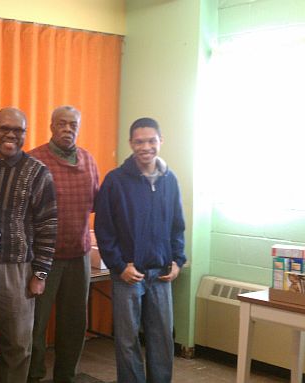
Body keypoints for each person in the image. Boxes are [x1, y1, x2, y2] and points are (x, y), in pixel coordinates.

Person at [94, 117, 186, 383]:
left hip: (161, 274)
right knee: (127, 340)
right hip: (128, 274)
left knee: (162, 339)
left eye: (151, 140)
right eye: (139, 141)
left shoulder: (170, 180)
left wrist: (178, 261)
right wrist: (120, 266)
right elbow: (104, 228)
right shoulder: (115, 181)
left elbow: (177, 225)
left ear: (160, 141)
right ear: (131, 143)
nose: (145, 146)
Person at [0, 107, 58, 383]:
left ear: (25, 134)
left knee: (18, 347)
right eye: (4, 128)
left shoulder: (38, 173)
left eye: (18, 130)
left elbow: (48, 226)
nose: (10, 135)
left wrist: (40, 273)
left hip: (17, 272)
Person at [27, 106, 100, 383]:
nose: (67, 129)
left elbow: (95, 204)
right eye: (61, 124)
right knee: (36, 324)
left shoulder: (89, 160)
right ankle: (33, 376)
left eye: (73, 125)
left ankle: (66, 376)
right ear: (51, 126)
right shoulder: (35, 160)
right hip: (44, 258)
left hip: (78, 256)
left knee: (74, 324)